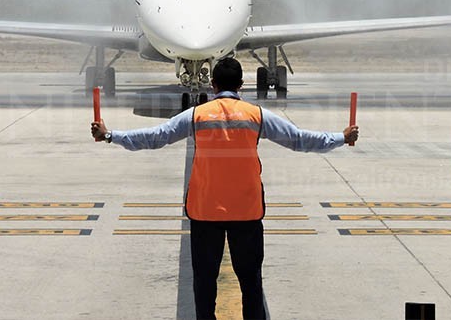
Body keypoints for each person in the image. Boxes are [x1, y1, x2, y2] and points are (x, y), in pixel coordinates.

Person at [91, 57, 358, 319]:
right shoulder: (257, 115)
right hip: (247, 213)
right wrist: (341, 138)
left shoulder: (197, 115)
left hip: (206, 213)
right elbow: (299, 140)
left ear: (213, 85)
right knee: (251, 283)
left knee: (205, 284)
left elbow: (155, 137)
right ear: (241, 85)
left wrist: (110, 135)